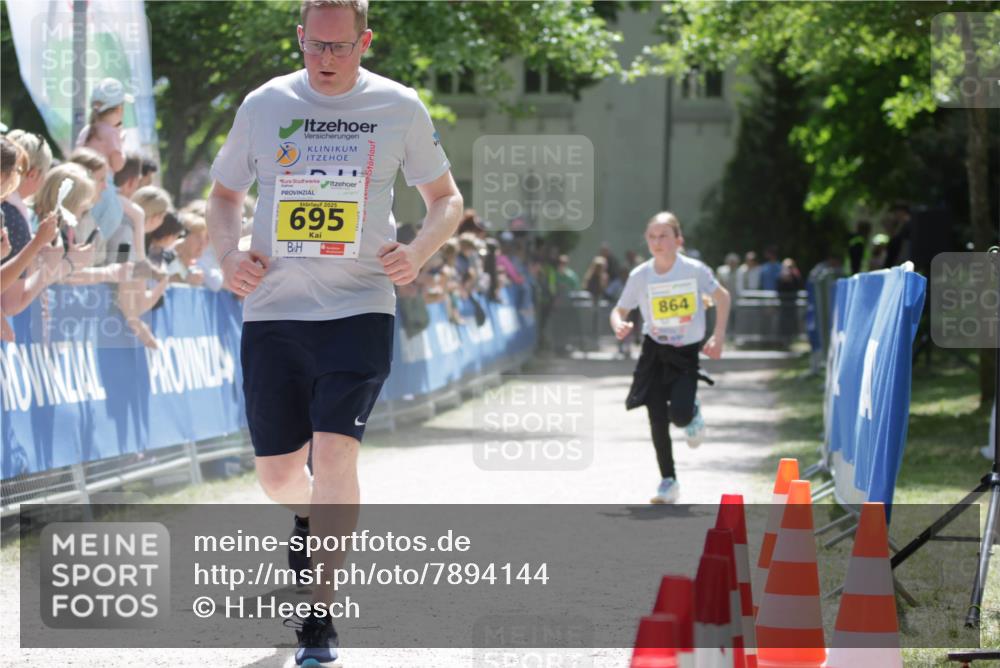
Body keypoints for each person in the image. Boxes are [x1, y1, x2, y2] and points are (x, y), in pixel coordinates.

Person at [205, 1, 462, 664]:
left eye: (339, 48)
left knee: (337, 456)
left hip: (360, 306)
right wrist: (228, 257)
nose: (325, 60)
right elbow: (225, 195)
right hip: (274, 310)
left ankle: (318, 614)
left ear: (364, 41)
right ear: (299, 38)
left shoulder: (400, 106)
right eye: (314, 46)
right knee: (277, 475)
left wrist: (422, 250)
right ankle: (306, 517)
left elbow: (447, 198)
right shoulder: (264, 105)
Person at [610, 212, 730, 504]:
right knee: (656, 417)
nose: (657, 242)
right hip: (654, 350)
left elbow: (723, 297)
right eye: (651, 237)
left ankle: (692, 412)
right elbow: (619, 310)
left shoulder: (694, 270)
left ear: (679, 240)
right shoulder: (641, 275)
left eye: (664, 236)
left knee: (679, 415)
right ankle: (668, 480)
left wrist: (718, 336)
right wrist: (619, 325)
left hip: (686, 352)